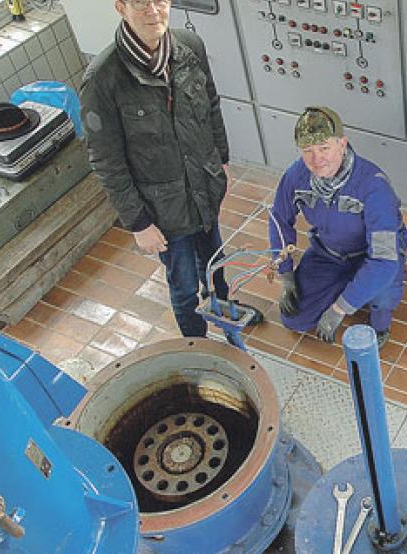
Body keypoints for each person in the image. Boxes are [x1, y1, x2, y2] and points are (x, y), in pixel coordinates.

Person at [80, 0, 254, 338]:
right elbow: (106, 160)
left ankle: (224, 311)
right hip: (163, 209)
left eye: (158, 0)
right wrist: (138, 223)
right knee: (185, 285)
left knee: (216, 263)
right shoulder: (103, 79)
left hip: (203, 187)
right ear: (121, 7)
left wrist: (221, 161)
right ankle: (197, 346)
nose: (152, 10)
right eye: (140, 3)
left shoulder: (190, 47)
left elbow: (212, 105)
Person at [268, 107, 407, 347]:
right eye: (308, 151)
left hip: (373, 256)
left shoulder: (373, 186)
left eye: (324, 148)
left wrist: (339, 308)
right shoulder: (296, 177)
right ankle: (350, 286)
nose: (317, 159)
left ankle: (373, 309)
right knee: (294, 319)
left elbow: (384, 261)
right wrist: (286, 274)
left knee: (383, 299)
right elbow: (280, 220)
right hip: (329, 253)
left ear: (342, 144)